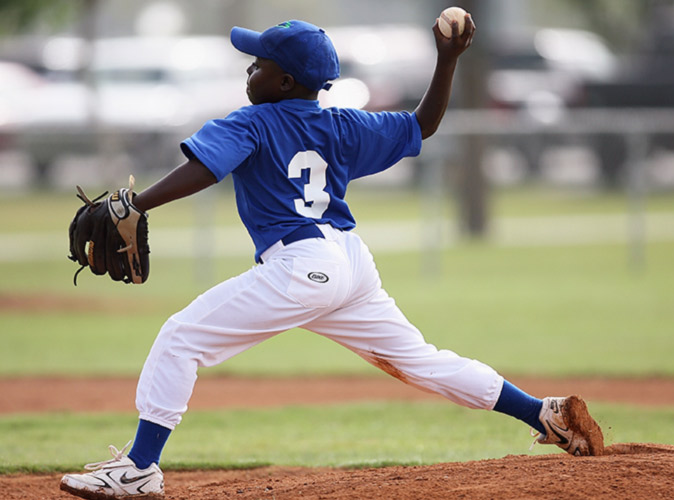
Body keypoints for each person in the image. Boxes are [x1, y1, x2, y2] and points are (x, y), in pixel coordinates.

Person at [60, 15, 603, 500]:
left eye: (259, 65)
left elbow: (207, 168)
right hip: (350, 263)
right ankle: (544, 413)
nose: (249, 71)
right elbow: (423, 124)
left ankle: (139, 468)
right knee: (420, 360)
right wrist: (446, 60)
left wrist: (136, 202)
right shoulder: (343, 124)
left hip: (301, 267)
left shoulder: (253, 122)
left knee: (182, 337)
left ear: (285, 82)